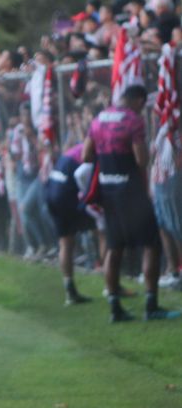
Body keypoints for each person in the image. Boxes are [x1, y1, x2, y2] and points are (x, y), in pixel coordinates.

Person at [82, 85, 179, 323]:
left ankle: (115, 307)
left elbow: (86, 156)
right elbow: (142, 159)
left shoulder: (98, 119)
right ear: (137, 100)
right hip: (131, 190)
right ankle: (151, 305)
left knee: (114, 247)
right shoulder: (133, 121)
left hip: (108, 189)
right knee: (151, 244)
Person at [45, 143, 95, 305]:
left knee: (65, 242)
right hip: (65, 194)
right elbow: (84, 176)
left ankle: (69, 291)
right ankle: (112, 285)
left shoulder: (75, 149)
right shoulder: (92, 151)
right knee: (101, 228)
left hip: (51, 192)